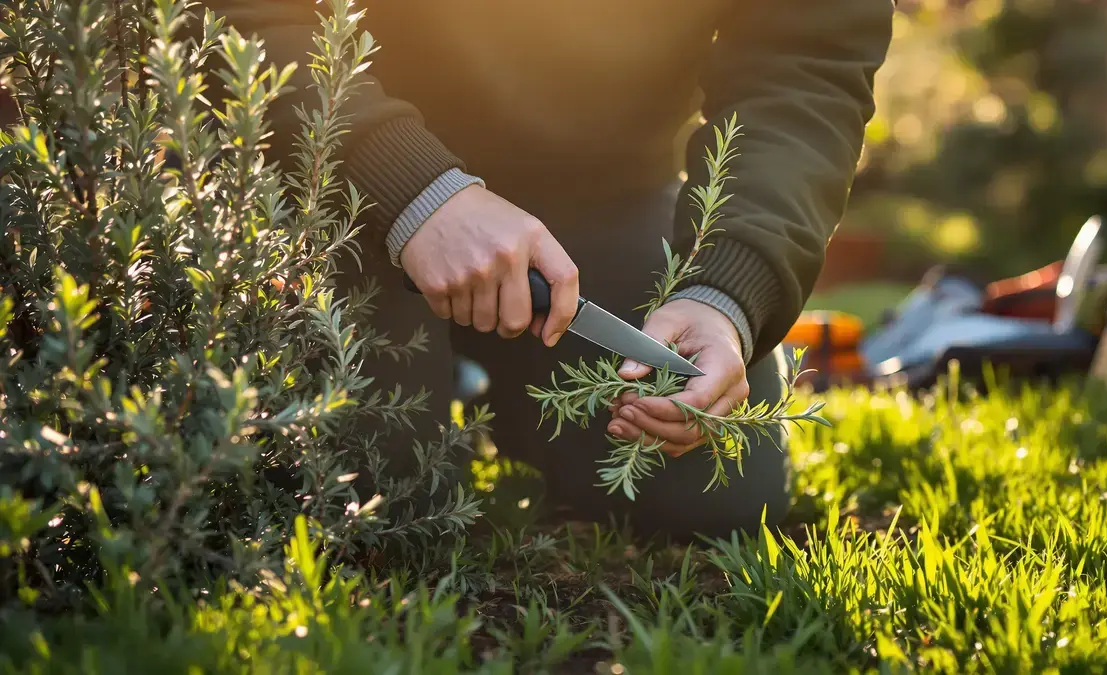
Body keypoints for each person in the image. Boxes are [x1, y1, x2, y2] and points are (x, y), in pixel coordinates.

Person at [207, 0, 894, 538]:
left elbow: (806, 64)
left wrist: (727, 290)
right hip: (344, 197)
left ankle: (494, 391)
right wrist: (412, 187)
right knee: (377, 496)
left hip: (604, 196)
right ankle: (444, 377)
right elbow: (247, 14)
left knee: (716, 491)